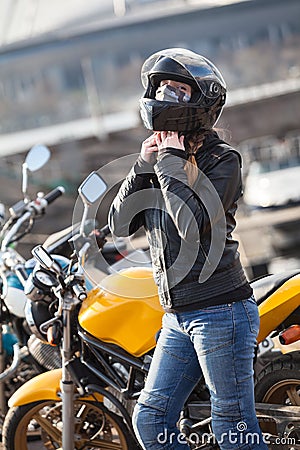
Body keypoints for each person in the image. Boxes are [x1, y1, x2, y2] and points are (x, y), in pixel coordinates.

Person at [108, 48, 267, 450]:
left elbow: (193, 224)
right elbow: (121, 226)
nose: (164, 96)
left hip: (220, 309)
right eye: (160, 87)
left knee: (233, 428)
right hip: (178, 316)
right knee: (151, 421)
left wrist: (170, 162)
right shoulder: (162, 160)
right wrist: (141, 169)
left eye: (177, 90)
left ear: (199, 102)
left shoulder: (221, 159)